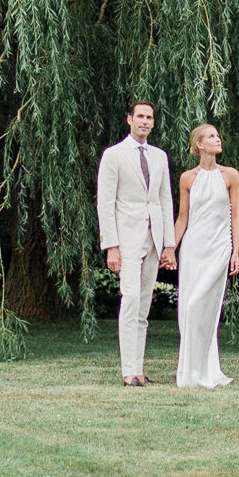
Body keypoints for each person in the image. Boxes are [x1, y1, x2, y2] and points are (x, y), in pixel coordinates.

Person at [95, 101, 177, 386]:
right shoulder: (113, 155)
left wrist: (169, 244)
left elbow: (165, 200)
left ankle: (139, 370)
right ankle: (128, 370)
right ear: (129, 120)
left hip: (154, 240)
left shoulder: (159, 157)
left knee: (143, 305)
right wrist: (111, 246)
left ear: (153, 123)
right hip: (126, 239)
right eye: (140, 116)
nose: (145, 121)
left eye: (149, 117)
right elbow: (105, 203)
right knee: (129, 300)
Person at [173, 122, 239, 388]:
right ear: (199, 145)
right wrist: (171, 249)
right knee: (188, 309)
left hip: (219, 248)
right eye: (211, 136)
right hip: (193, 249)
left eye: (218, 135)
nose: (217, 139)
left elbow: (235, 215)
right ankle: (191, 371)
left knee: (202, 307)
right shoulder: (187, 178)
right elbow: (182, 218)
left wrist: (235, 251)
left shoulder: (231, 175)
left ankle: (206, 370)